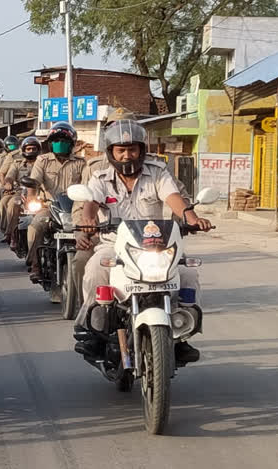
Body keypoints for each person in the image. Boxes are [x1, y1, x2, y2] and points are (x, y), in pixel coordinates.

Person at [73, 119, 212, 363]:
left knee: (188, 275)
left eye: (132, 149)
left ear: (141, 150)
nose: (127, 155)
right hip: (113, 245)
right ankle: (94, 329)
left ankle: (182, 335)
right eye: (121, 150)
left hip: (156, 247)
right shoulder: (100, 177)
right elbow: (90, 206)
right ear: (111, 152)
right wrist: (88, 221)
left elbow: (173, 198)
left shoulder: (157, 172)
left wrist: (192, 217)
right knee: (95, 268)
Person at [26, 122, 86, 287]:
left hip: (75, 210)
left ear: (72, 143)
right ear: (50, 143)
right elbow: (34, 182)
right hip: (49, 207)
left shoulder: (81, 163)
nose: (60, 143)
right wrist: (32, 198)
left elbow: (89, 185)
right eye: (56, 140)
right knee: (35, 227)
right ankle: (36, 265)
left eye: (64, 140)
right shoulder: (42, 160)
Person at [0, 136, 42, 250]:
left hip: (41, 193)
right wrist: (8, 183)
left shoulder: (44, 163)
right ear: (23, 150)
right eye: (28, 149)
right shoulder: (17, 163)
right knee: (13, 204)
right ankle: (12, 234)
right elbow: (9, 176)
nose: (31, 151)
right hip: (21, 192)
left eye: (34, 149)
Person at [0, 135, 20, 226]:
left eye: (14, 145)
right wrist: (5, 184)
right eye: (10, 146)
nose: (12, 148)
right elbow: (0, 173)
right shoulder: (2, 157)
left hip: (23, 186)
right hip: (4, 183)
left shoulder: (22, 156)